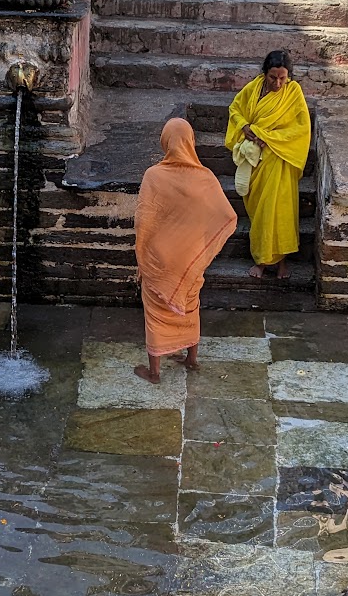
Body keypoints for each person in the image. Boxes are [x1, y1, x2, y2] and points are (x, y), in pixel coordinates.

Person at [133, 117, 237, 384]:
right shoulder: (205, 177)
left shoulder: (153, 175)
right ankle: (191, 359)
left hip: (160, 258)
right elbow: (226, 215)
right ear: (191, 141)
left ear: (165, 141)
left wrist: (142, 256)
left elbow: (144, 221)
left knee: (156, 312)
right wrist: (201, 246)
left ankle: (154, 372)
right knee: (190, 305)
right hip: (190, 257)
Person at [226, 50, 312, 281]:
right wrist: (245, 126)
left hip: (279, 159)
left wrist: (269, 137)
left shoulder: (293, 92)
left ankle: (276, 263)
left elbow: (301, 129)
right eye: (273, 77)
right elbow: (234, 109)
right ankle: (263, 260)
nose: (278, 83)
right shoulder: (253, 89)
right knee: (260, 213)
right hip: (256, 162)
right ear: (265, 74)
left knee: (278, 212)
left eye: (283, 78)